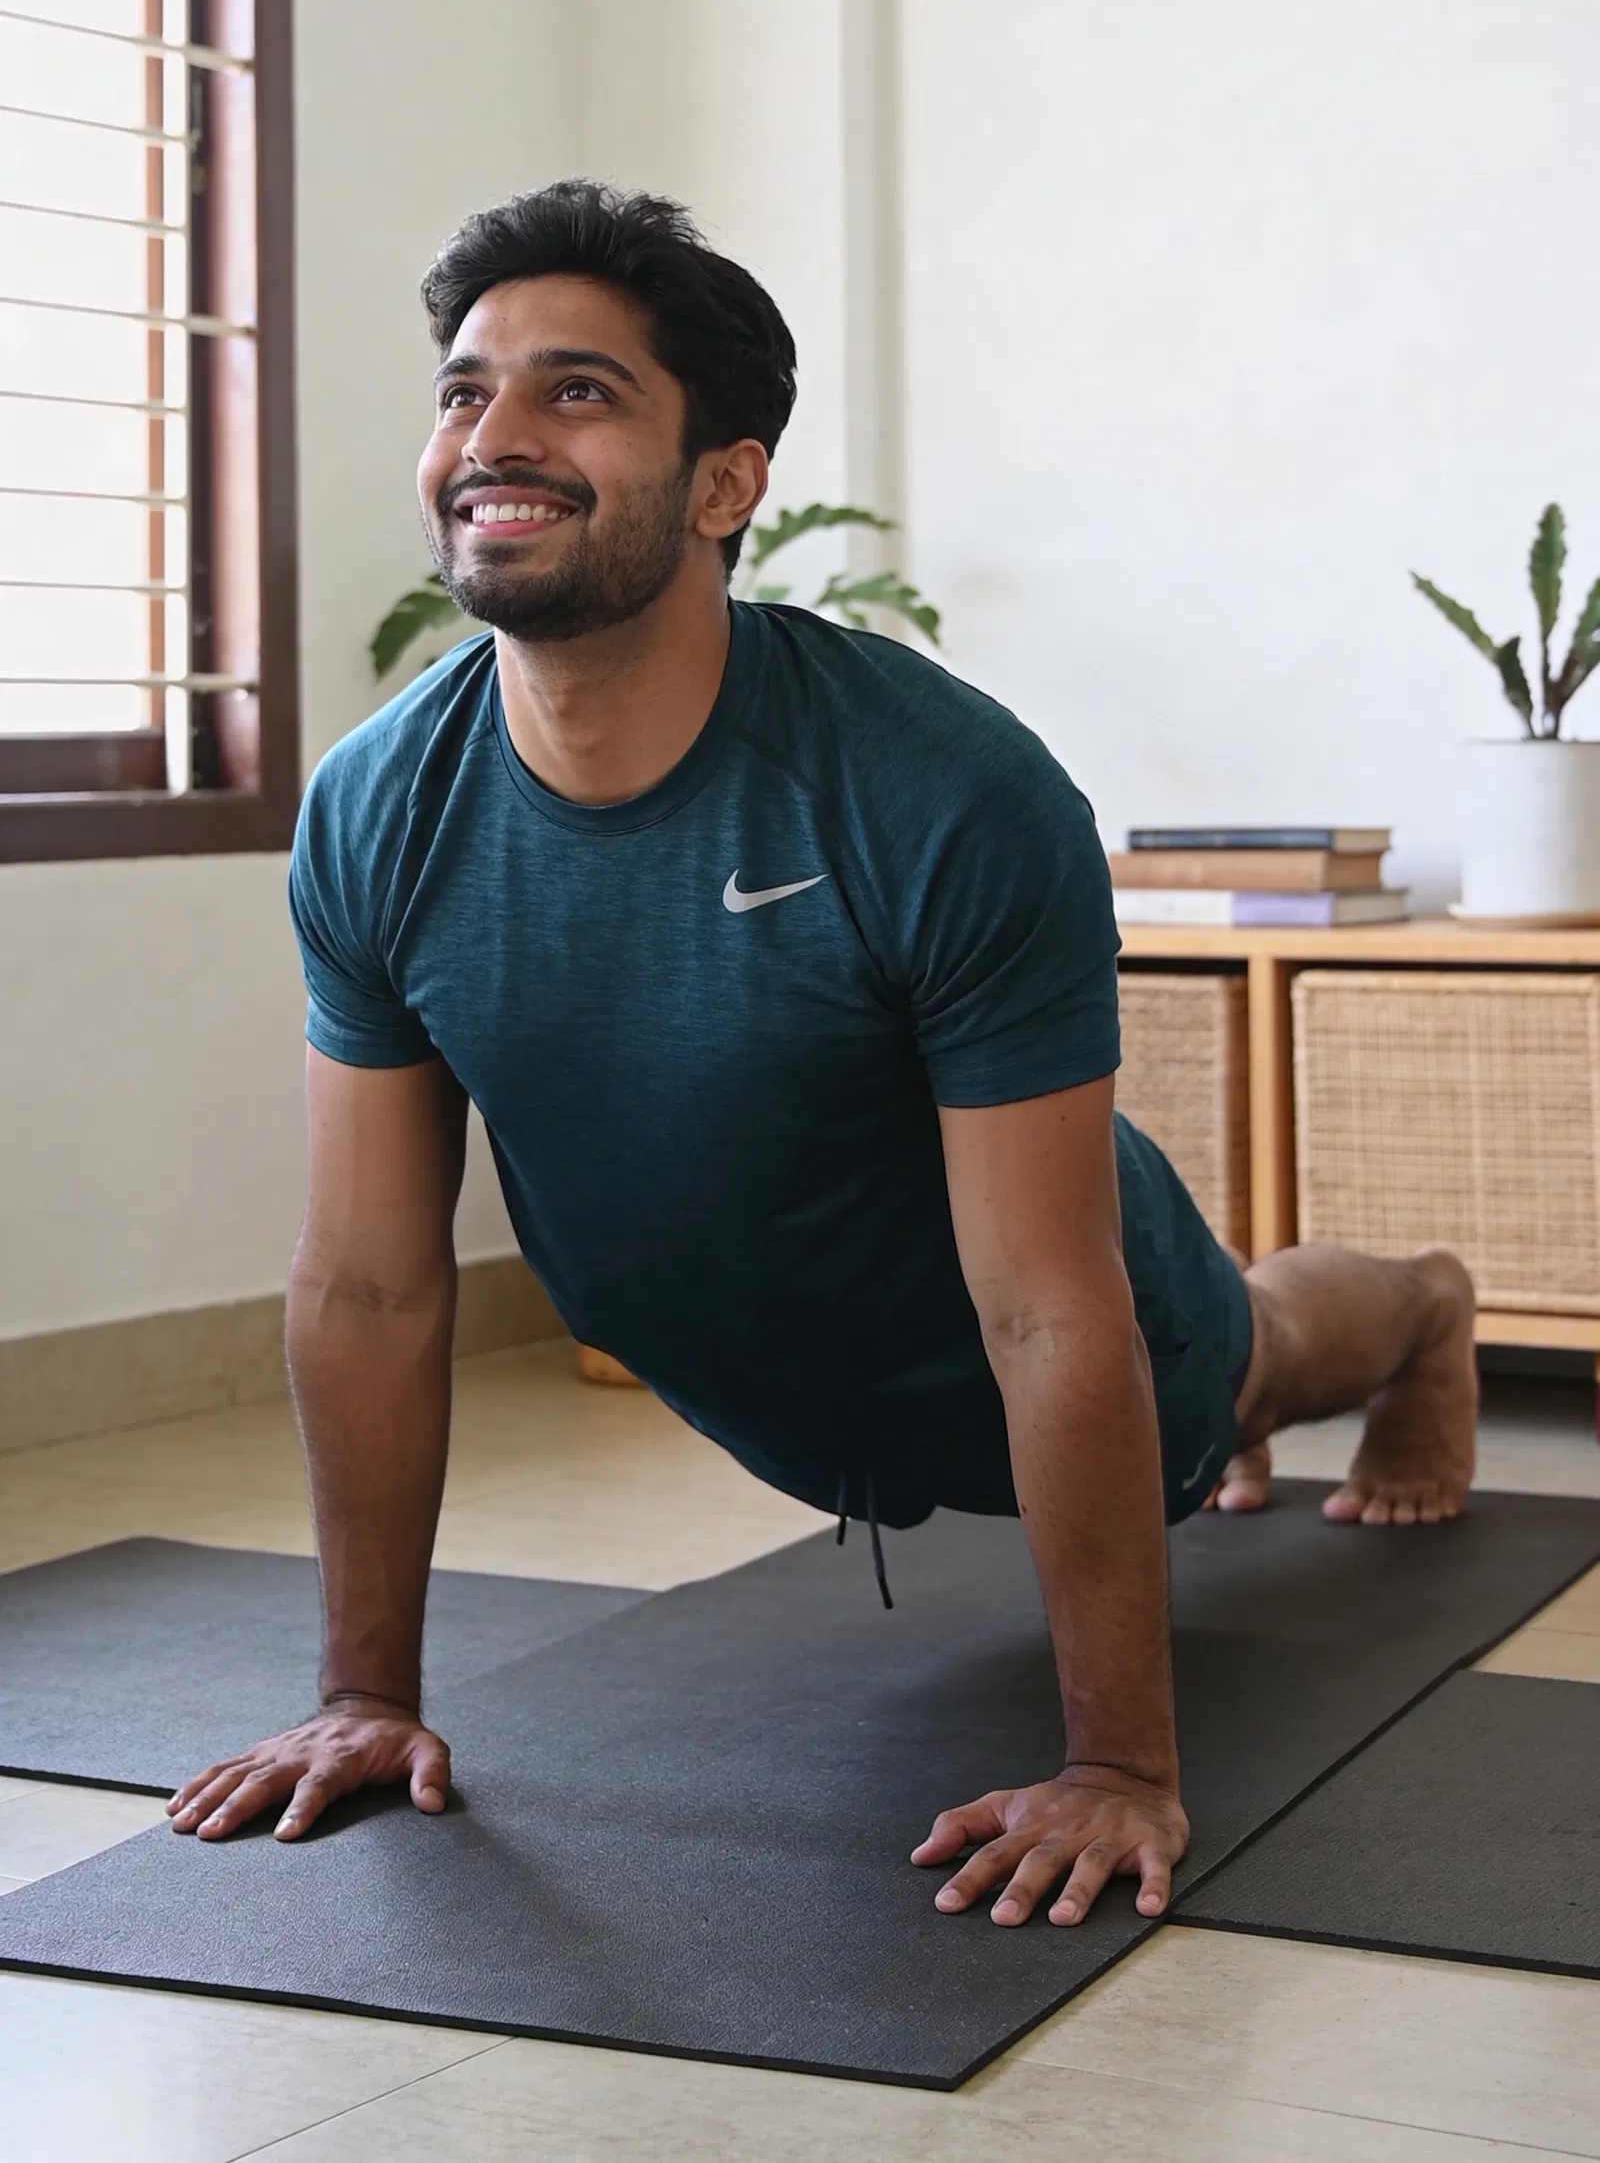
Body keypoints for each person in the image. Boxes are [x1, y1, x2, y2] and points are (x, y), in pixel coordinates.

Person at [167, 181, 1479, 1929]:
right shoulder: (379, 810)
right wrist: (366, 1692)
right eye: (465, 390)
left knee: (1249, 1364)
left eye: (578, 392)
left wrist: (1117, 1765)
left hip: (1059, 1326)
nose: (494, 436)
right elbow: (372, 1288)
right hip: (768, 1373)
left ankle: (1428, 1309)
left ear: (726, 483)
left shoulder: (941, 789)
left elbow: (1045, 1308)